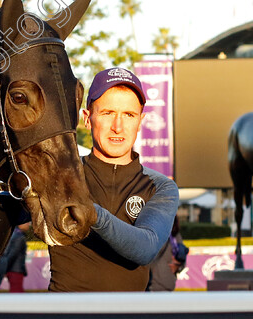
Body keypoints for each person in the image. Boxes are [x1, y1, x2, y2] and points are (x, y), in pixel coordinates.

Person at [48, 67, 179, 292]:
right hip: (66, 318)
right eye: (107, 113)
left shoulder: (160, 186)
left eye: (129, 115)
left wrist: (89, 211)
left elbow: (145, 248)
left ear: (140, 121)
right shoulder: (58, 176)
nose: (118, 126)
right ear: (87, 119)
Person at [147, 216, 188, 291]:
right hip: (168, 281)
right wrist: (178, 266)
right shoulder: (176, 236)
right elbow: (182, 258)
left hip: (156, 282)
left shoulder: (160, 234)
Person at [4, 222, 30, 292]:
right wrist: (5, 267)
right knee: (16, 291)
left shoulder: (15, 234)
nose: (29, 225)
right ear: (20, 224)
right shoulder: (19, 236)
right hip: (15, 270)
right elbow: (13, 254)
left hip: (13, 269)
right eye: (27, 223)